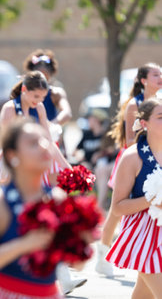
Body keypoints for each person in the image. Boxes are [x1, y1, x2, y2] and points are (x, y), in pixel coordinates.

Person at [0, 119, 62, 298]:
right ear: (12, 155)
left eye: (44, 140)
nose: (43, 147)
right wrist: (22, 245)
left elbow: (71, 261)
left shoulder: (57, 199)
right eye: (33, 143)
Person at [96, 63, 162, 276]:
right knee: (117, 213)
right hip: (136, 159)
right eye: (155, 74)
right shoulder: (134, 105)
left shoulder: (159, 103)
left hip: (155, 157)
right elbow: (130, 139)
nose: (160, 77)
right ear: (143, 80)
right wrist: (144, 158)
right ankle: (103, 252)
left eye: (161, 74)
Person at [106, 98, 162, 297]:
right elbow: (118, 207)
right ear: (144, 123)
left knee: (143, 295)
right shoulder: (132, 157)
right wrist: (152, 200)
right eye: (161, 117)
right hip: (144, 236)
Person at [73, 109, 116, 211]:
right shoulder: (87, 134)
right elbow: (76, 150)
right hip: (88, 163)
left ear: (96, 119)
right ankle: (82, 203)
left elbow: (112, 150)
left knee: (100, 167)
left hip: (102, 165)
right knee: (83, 169)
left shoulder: (105, 134)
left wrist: (99, 154)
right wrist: (79, 155)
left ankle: (99, 205)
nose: (88, 121)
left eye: (90, 118)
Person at [23, 49, 72, 126]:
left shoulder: (55, 93)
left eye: (45, 77)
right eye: (37, 77)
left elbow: (67, 113)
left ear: (50, 77)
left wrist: (51, 125)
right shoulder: (23, 93)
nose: (40, 82)